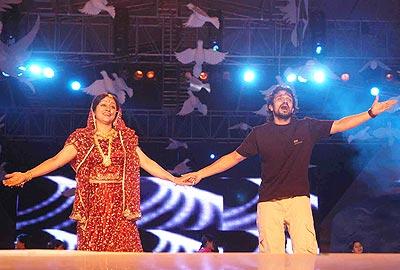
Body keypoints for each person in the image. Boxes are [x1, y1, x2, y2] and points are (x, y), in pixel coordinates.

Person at [183, 86, 397, 254]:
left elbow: (340, 124)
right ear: (270, 107)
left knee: (305, 254)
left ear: (293, 107)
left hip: (299, 202)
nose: (284, 100)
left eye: (288, 98)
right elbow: (234, 157)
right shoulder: (260, 133)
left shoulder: (306, 127)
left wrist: (370, 113)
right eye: (279, 98)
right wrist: (201, 173)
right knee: (271, 257)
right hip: (269, 204)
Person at [3, 93, 190, 252]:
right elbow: (56, 160)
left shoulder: (126, 139)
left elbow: (147, 162)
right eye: (103, 104)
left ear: (117, 112)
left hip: (121, 205)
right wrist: (26, 175)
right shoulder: (82, 138)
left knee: (125, 251)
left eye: (112, 106)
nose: (108, 108)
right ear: (93, 110)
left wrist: (173, 178)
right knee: (93, 250)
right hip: (93, 204)